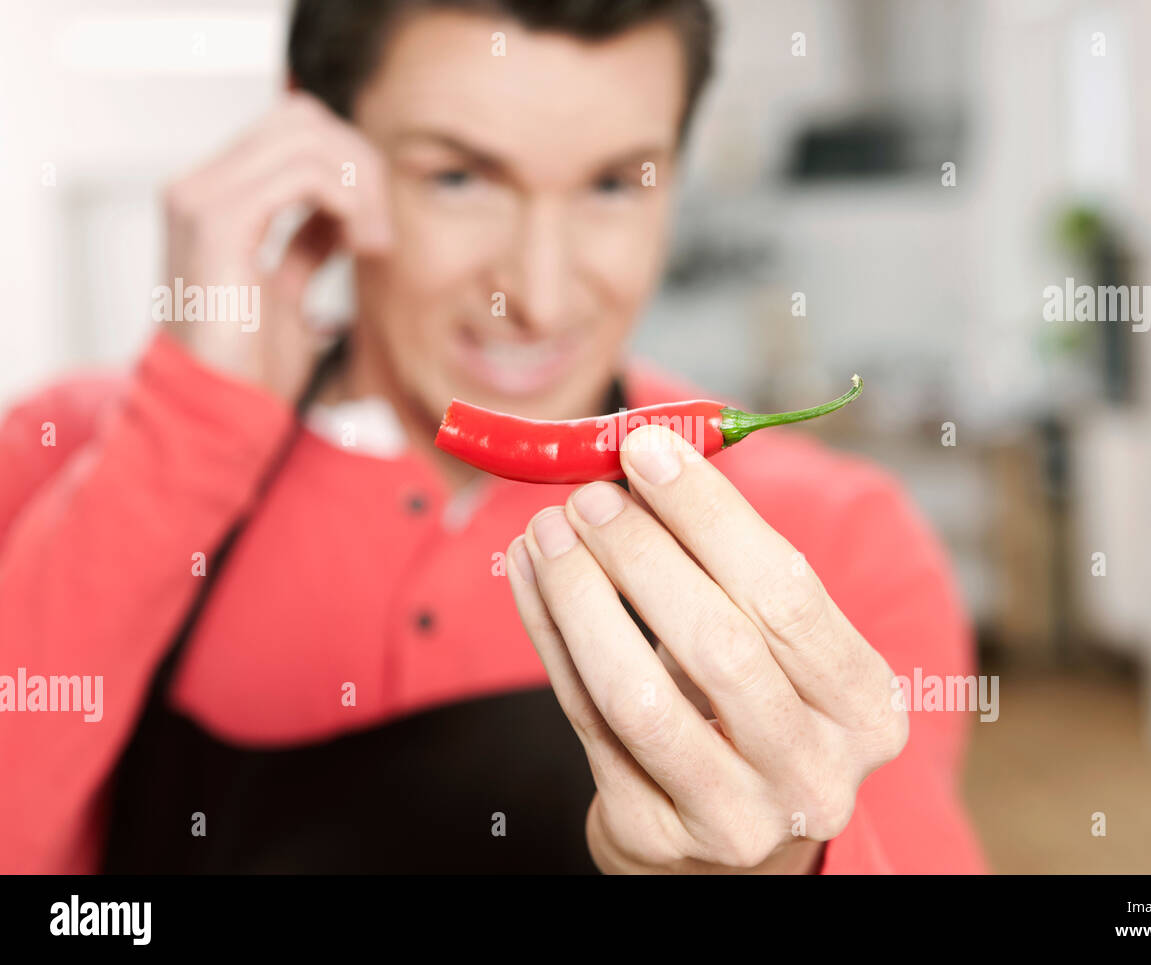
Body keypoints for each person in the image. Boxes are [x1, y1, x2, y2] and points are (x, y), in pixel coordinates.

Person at [0, 0, 987, 874]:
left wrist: (779, 867)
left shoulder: (838, 542)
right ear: (313, 134)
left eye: (613, 184)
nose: (542, 295)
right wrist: (185, 434)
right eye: (460, 177)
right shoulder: (65, 452)